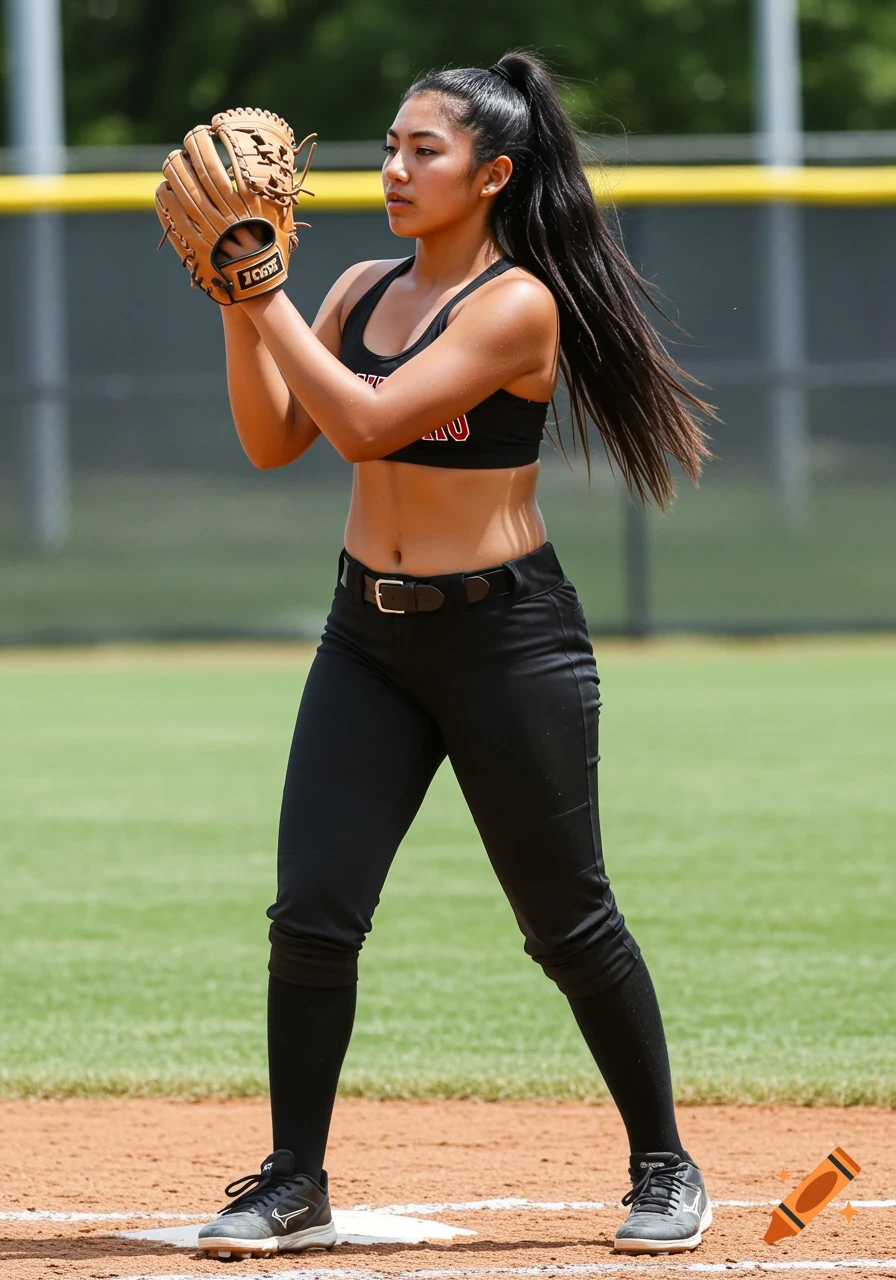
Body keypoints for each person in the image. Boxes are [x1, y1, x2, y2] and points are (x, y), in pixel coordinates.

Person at [194, 51, 717, 1263]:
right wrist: (235, 299)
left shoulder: (514, 305)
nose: (392, 167)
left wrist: (262, 290)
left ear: (492, 175)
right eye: (388, 145)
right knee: (311, 913)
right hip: (365, 639)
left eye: (422, 150)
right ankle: (294, 1176)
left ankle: (662, 1159)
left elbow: (367, 422)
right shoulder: (355, 288)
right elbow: (273, 439)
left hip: (505, 641)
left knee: (566, 921)